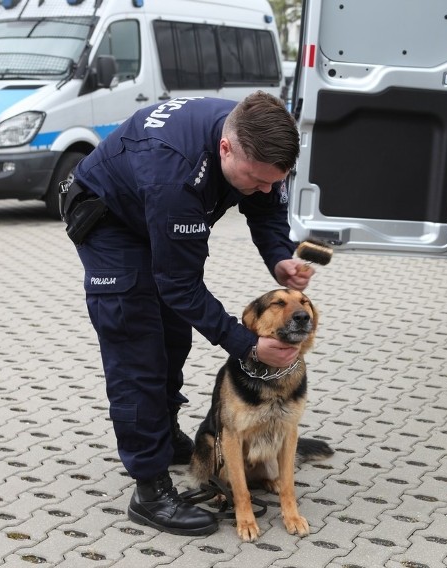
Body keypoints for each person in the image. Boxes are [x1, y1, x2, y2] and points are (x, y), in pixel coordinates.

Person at [68, 91, 315, 536]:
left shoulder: (255, 135)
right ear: (226, 148)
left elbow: (263, 206)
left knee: (173, 335)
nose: (263, 188)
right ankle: (149, 489)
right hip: (111, 222)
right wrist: (248, 346)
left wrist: (279, 256)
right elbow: (180, 284)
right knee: (139, 350)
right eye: (256, 179)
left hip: (153, 212)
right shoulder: (176, 176)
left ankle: (164, 435)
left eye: (272, 181)